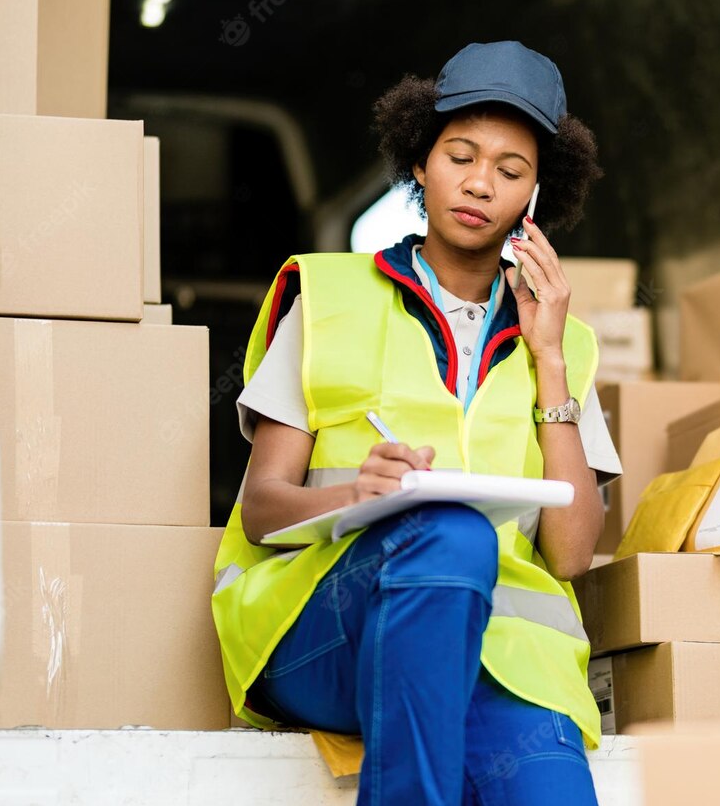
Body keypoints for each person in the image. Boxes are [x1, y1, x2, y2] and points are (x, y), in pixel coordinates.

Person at [210, 40, 622, 805]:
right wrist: (357, 500)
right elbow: (263, 510)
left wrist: (550, 361)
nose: (478, 184)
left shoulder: (566, 345)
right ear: (419, 162)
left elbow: (568, 554)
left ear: (537, 197)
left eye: (510, 171)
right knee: (452, 532)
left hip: (503, 658)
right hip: (328, 633)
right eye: (460, 155)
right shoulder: (328, 297)